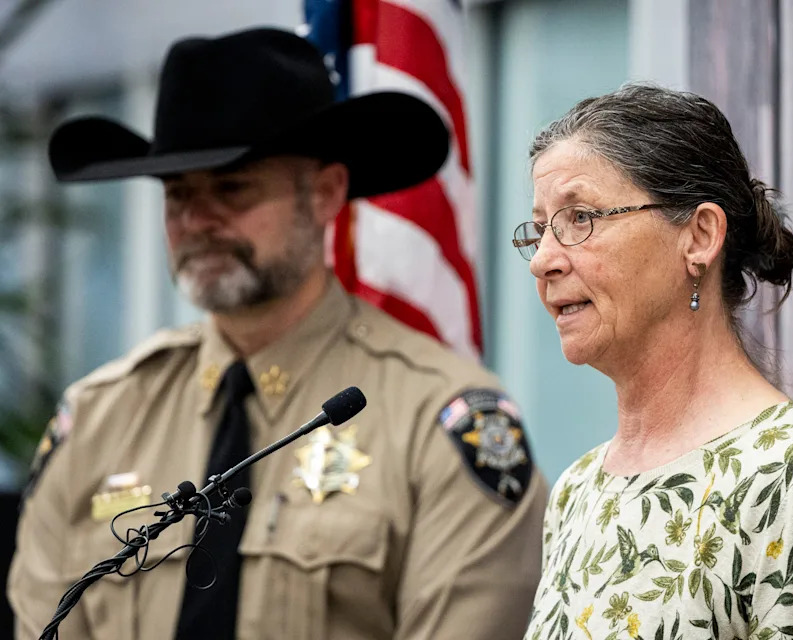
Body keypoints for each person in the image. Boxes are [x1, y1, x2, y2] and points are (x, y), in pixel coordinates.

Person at [8, 27, 547, 640]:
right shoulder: (99, 417)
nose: (197, 220)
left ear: (325, 193)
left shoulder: (436, 418)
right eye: (177, 194)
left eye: (232, 188)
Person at [515, 84, 793, 639]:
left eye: (580, 218)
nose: (543, 261)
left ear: (699, 236)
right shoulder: (578, 490)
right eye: (541, 229)